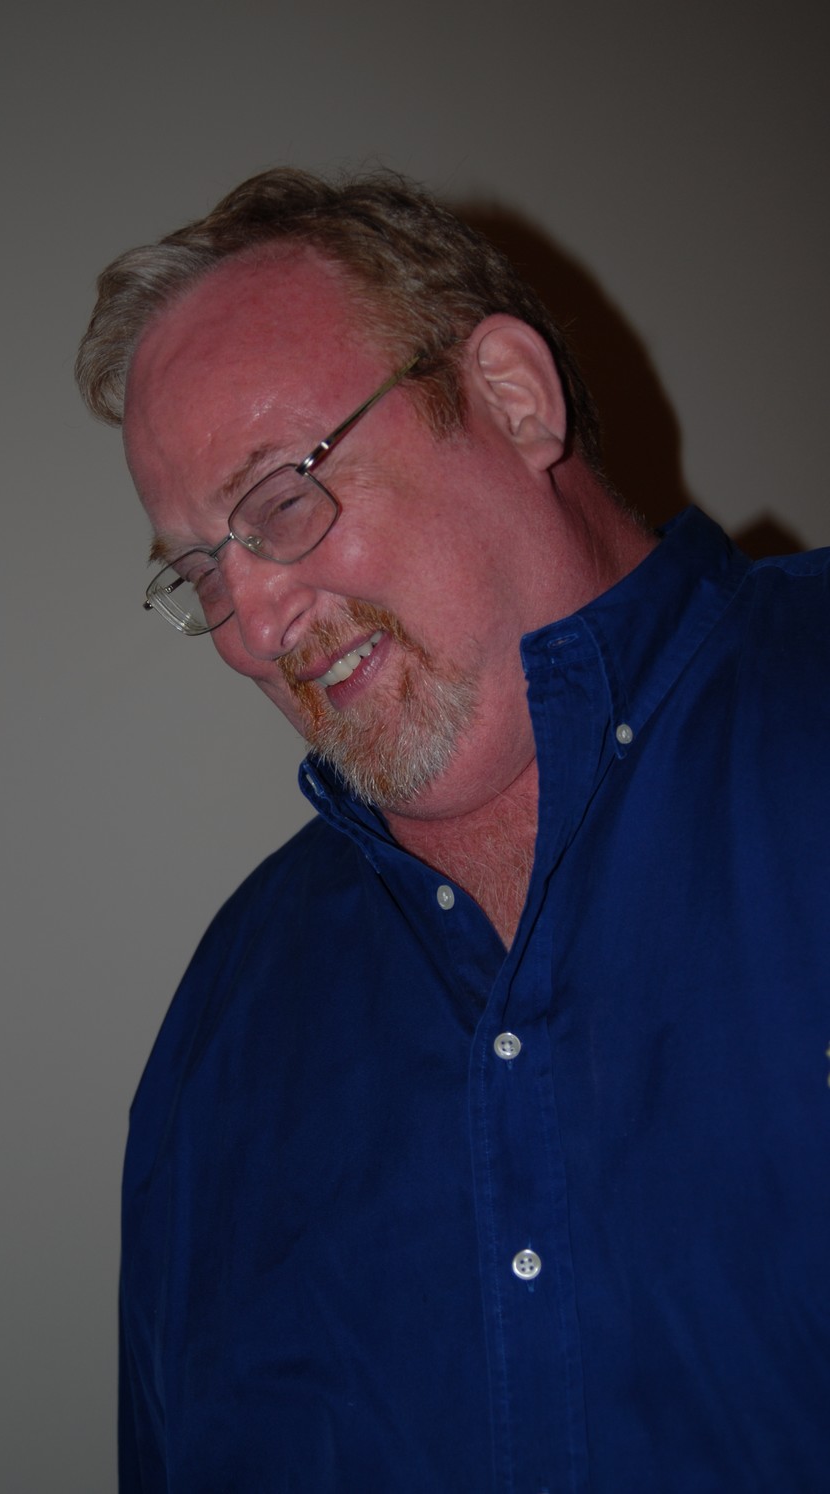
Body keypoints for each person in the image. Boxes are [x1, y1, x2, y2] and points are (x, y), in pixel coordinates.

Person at [76, 169, 830, 1492]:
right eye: (199, 568)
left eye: (279, 500)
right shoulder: (222, 1030)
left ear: (512, 397)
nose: (251, 630)